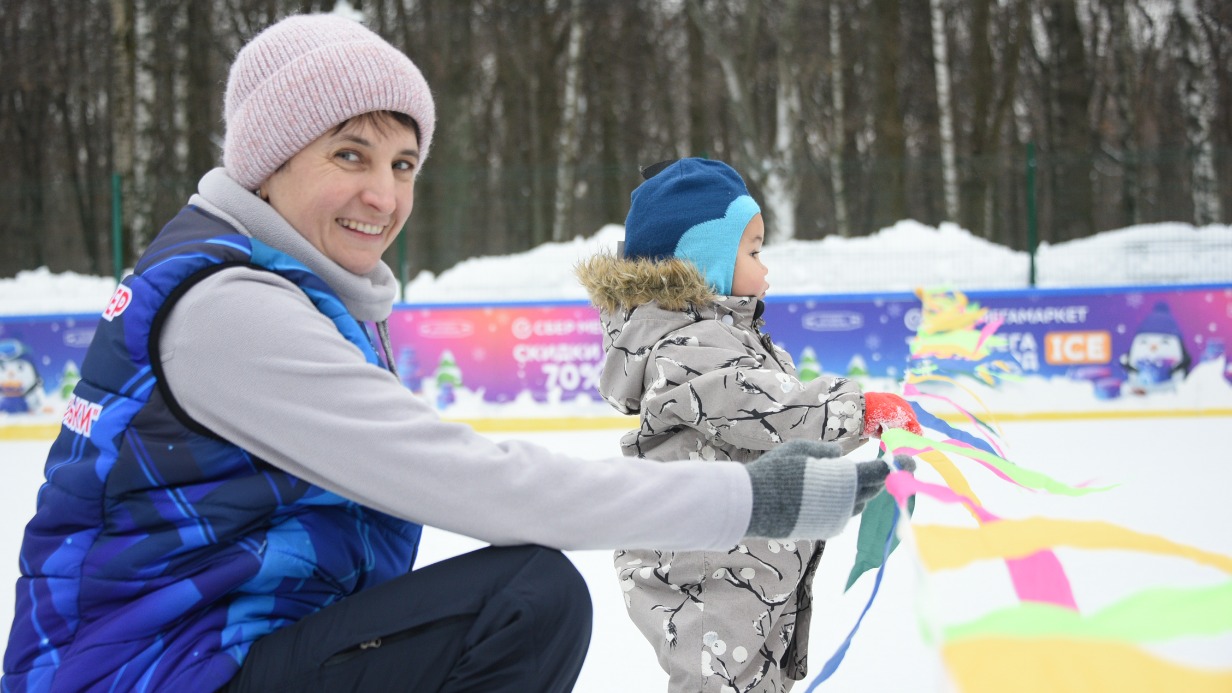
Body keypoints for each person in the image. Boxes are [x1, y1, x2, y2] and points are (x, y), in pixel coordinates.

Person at [3, 16, 906, 693]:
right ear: (269, 162)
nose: (382, 194)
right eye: (350, 154)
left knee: (515, 597)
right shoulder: (230, 309)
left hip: (208, 650)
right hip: (147, 671)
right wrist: (752, 498)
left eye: (402, 164)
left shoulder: (267, 285)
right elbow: (477, 484)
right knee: (526, 597)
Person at [576, 157, 921, 693]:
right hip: (708, 574)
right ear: (704, 261)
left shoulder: (727, 338)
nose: (766, 270)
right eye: (754, 252)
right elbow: (767, 408)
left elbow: (775, 433)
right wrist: (859, 409)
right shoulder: (689, 347)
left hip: (751, 568)